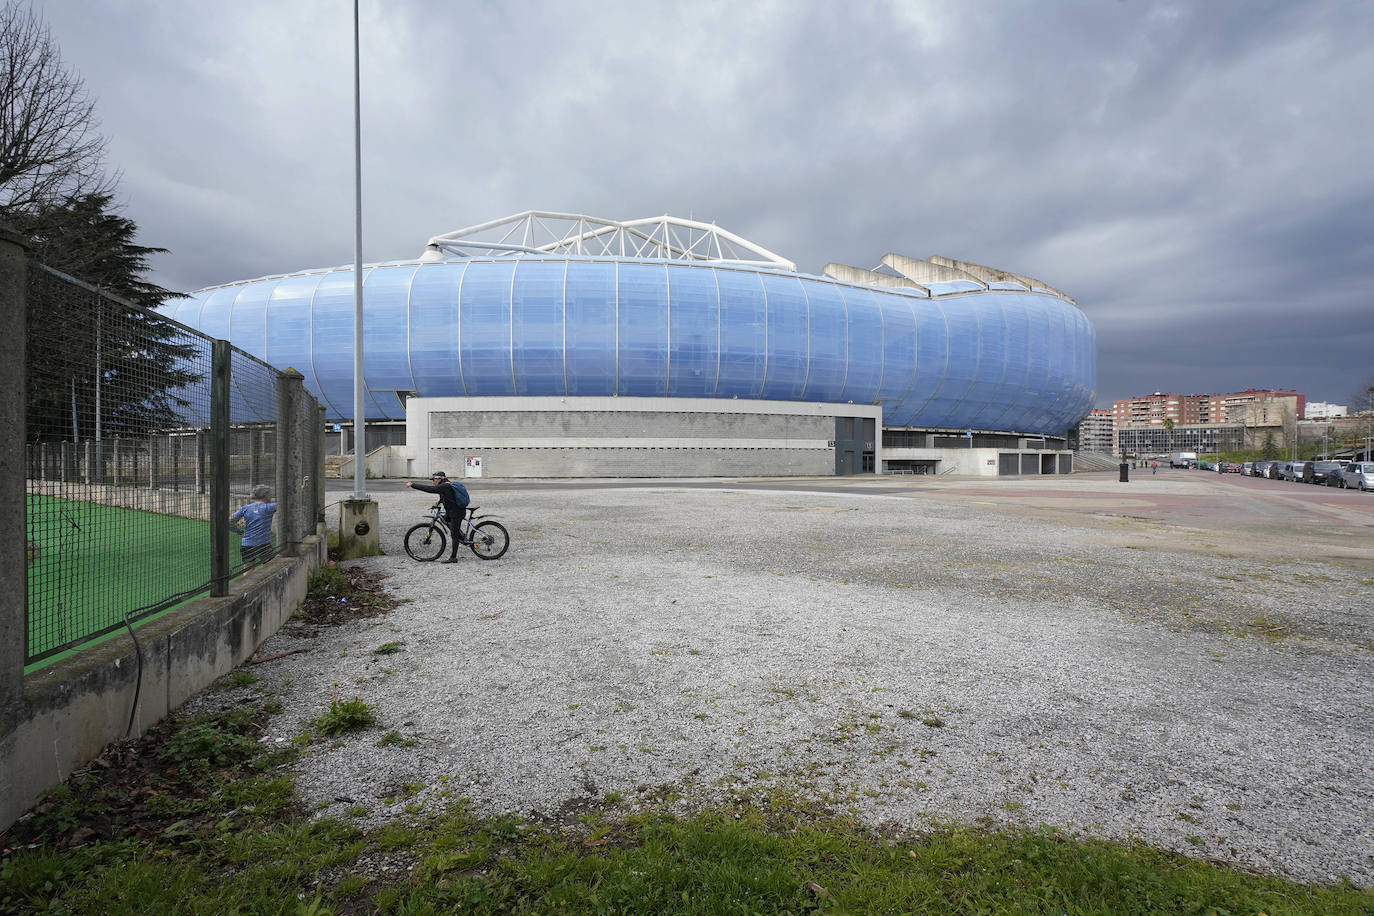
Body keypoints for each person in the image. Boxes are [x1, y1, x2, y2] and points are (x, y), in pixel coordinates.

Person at [406, 470, 470, 563]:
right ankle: (460, 535)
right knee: (445, 518)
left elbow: (430, 489)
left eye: (434, 480)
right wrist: (439, 501)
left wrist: (413, 484)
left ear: (439, 479)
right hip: (452, 511)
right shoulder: (447, 484)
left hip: (456, 512)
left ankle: (453, 557)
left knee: (454, 535)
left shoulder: (444, 486)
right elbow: (447, 496)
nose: (433, 482)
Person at [230, 485, 278, 568]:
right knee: (270, 567)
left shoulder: (245, 508)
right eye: (270, 494)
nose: (271, 496)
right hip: (263, 544)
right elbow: (287, 501)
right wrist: (301, 488)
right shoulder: (268, 507)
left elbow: (229, 521)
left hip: (247, 544)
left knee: (248, 569)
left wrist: (239, 532)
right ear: (265, 495)